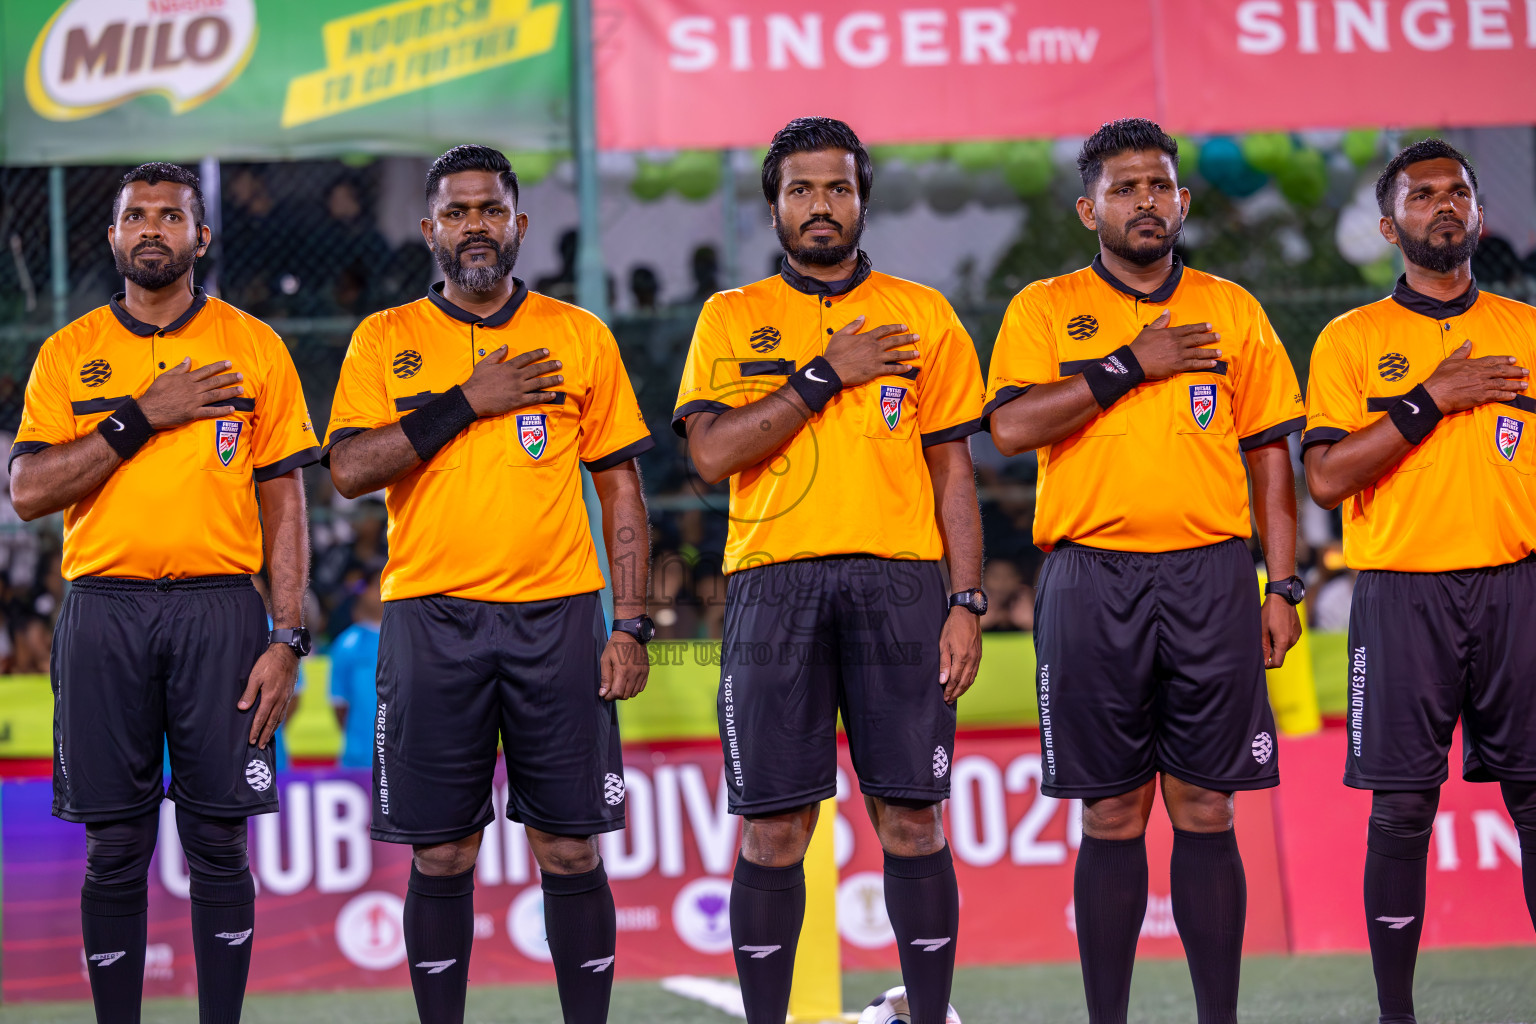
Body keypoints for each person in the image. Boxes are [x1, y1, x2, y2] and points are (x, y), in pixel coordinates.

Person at [984, 119, 1305, 1024]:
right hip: (1090, 579)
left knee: (1207, 806)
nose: (1145, 202)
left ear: (1183, 201)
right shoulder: (1044, 308)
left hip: (1211, 577)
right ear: (1089, 208)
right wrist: (1132, 363)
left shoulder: (1232, 308)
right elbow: (1008, 431)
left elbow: (1270, 455)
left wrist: (1281, 585)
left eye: (1159, 186)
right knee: (1112, 813)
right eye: (1124, 189)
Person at [324, 145, 654, 1024]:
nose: (476, 224)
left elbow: (621, 486)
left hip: (558, 619)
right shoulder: (385, 338)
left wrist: (632, 621)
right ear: (429, 227)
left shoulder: (579, 334)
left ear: (519, 224)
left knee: (571, 849)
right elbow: (350, 467)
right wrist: (468, 399)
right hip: (430, 619)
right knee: (441, 854)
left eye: (491, 209)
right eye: (458, 211)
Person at [672, 117, 985, 1024]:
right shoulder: (728, 317)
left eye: (837, 188)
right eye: (802, 190)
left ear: (862, 198)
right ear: (774, 204)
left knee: (912, 819)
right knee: (775, 828)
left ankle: (928, 1015)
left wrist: (965, 599)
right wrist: (823, 374)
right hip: (775, 587)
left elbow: (951, 469)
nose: (821, 205)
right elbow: (713, 454)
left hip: (903, 585)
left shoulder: (923, 313)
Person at [8, 162, 317, 1024]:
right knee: (115, 846)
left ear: (200, 237)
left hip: (222, 611)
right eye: (135, 216)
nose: (152, 228)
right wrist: (142, 412)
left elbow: (284, 498)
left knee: (219, 840)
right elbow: (29, 490)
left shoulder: (254, 345)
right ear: (111, 237)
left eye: (171, 216)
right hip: (104, 611)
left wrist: (287, 636)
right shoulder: (69, 353)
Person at [1302, 138, 1536, 1024]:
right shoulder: (1351, 339)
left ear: (1478, 214)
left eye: (1458, 193)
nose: (1444, 205)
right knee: (1402, 809)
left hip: (1518, 590)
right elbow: (1326, 479)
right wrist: (1433, 397)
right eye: (1423, 194)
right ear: (1388, 224)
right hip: (1403, 597)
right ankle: (1396, 1013)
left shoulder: (1527, 331)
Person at [330, 571, 383, 769]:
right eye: (376, 585)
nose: (380, 592)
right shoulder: (346, 644)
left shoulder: (410, 639)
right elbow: (339, 704)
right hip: (358, 759)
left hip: (404, 759)